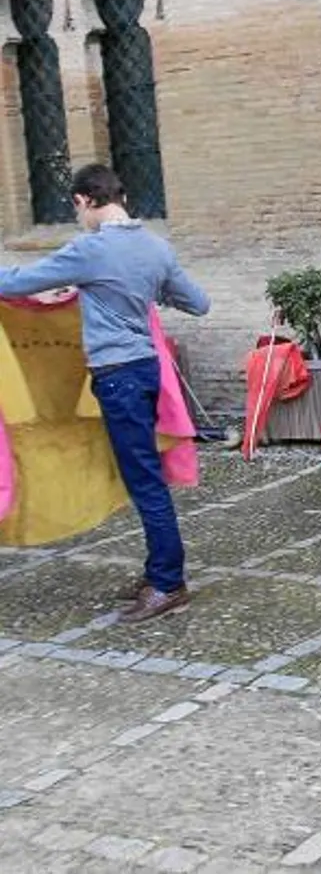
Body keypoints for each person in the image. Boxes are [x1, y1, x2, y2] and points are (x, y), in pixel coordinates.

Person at [0, 164, 210, 623]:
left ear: (84, 201)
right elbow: (198, 302)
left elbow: (15, 283)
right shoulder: (155, 246)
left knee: (144, 481)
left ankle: (167, 583)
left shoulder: (91, 248)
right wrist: (150, 290)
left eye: (76, 209)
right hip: (146, 371)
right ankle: (160, 571)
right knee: (143, 475)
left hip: (117, 376)